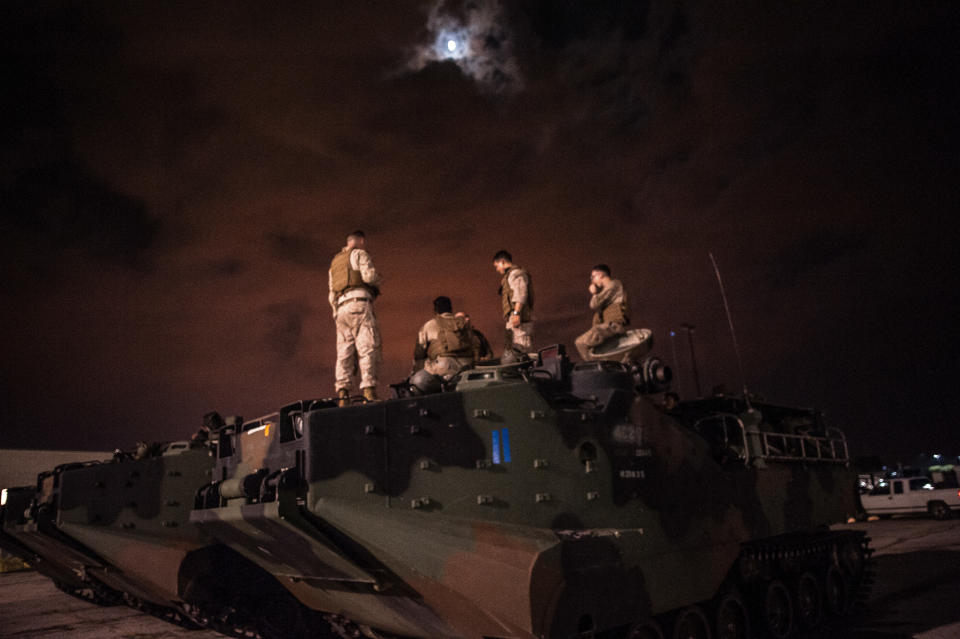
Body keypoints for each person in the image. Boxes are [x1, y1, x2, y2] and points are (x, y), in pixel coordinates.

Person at [328, 230, 382, 405]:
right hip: (359, 303)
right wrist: (378, 282)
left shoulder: (335, 263)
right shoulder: (360, 254)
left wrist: (336, 312)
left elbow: (331, 294)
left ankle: (343, 395)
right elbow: (369, 276)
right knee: (368, 346)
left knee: (344, 352)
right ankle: (369, 391)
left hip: (341, 309)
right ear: (360, 240)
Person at [574, 264, 629, 361]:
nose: (592, 280)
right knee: (590, 346)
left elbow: (594, 305)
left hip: (613, 326)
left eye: (593, 277)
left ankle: (596, 367)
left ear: (600, 275)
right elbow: (595, 305)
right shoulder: (607, 292)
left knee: (581, 342)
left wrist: (594, 293)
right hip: (608, 327)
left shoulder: (614, 284)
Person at [413, 296, 474, 380]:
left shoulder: (430, 324)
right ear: (451, 309)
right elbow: (474, 344)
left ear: (435, 310)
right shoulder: (463, 323)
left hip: (444, 366)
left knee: (420, 369)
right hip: (467, 364)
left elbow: (419, 353)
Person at [492, 250, 534, 363]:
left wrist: (516, 313)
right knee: (513, 353)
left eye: (497, 266)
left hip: (519, 319)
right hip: (514, 319)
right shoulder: (509, 276)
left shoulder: (515, 274)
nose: (497, 269)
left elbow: (521, 293)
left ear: (502, 261)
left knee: (522, 350)